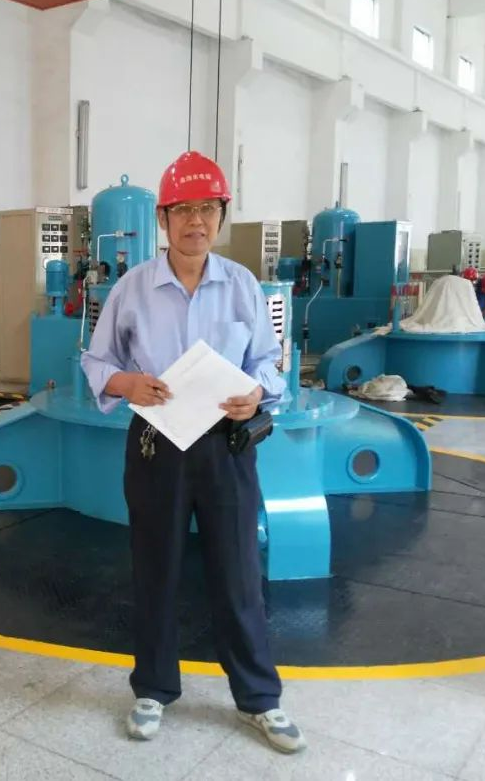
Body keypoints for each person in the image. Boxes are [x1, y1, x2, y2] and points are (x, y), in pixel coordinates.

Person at [80, 151, 306, 754]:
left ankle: (260, 698)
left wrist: (257, 393)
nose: (196, 221)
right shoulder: (132, 289)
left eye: (207, 208)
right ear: (163, 219)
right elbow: (96, 361)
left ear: (221, 216)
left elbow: (269, 361)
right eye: (182, 210)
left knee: (238, 571)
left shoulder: (242, 285)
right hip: (156, 445)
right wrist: (127, 383)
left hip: (226, 448)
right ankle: (153, 689)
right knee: (155, 566)